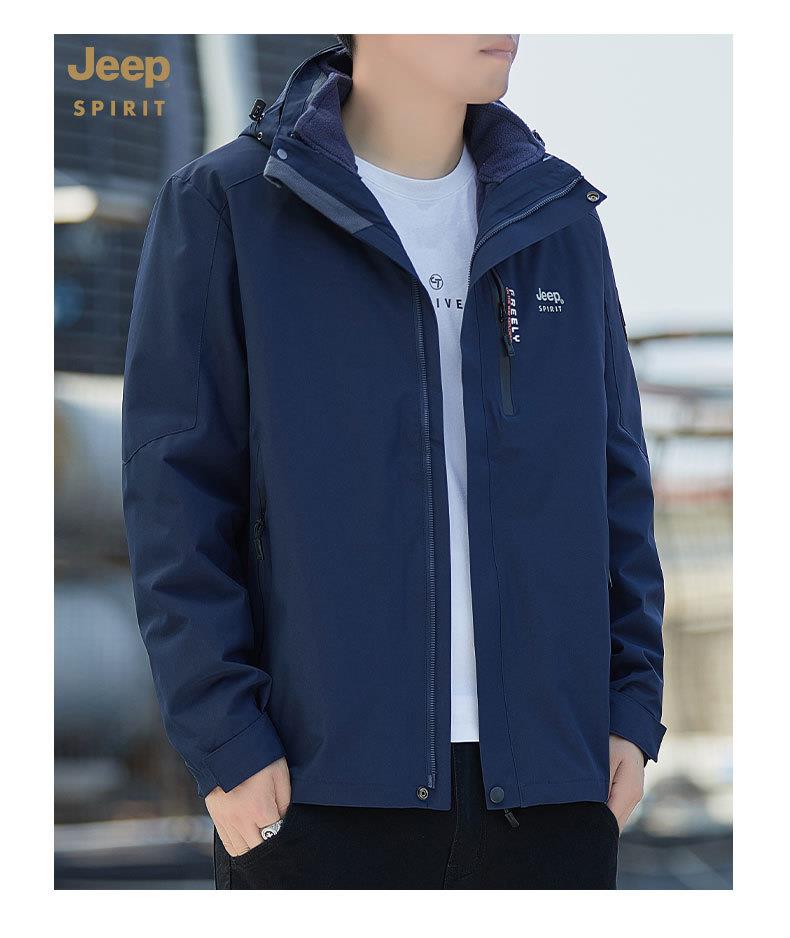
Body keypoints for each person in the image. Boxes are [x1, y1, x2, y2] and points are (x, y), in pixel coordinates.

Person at [122, 35, 665, 890]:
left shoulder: (558, 219)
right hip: (316, 793)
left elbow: (618, 486)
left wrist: (632, 709)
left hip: (555, 790)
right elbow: (175, 501)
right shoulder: (230, 205)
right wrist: (227, 741)